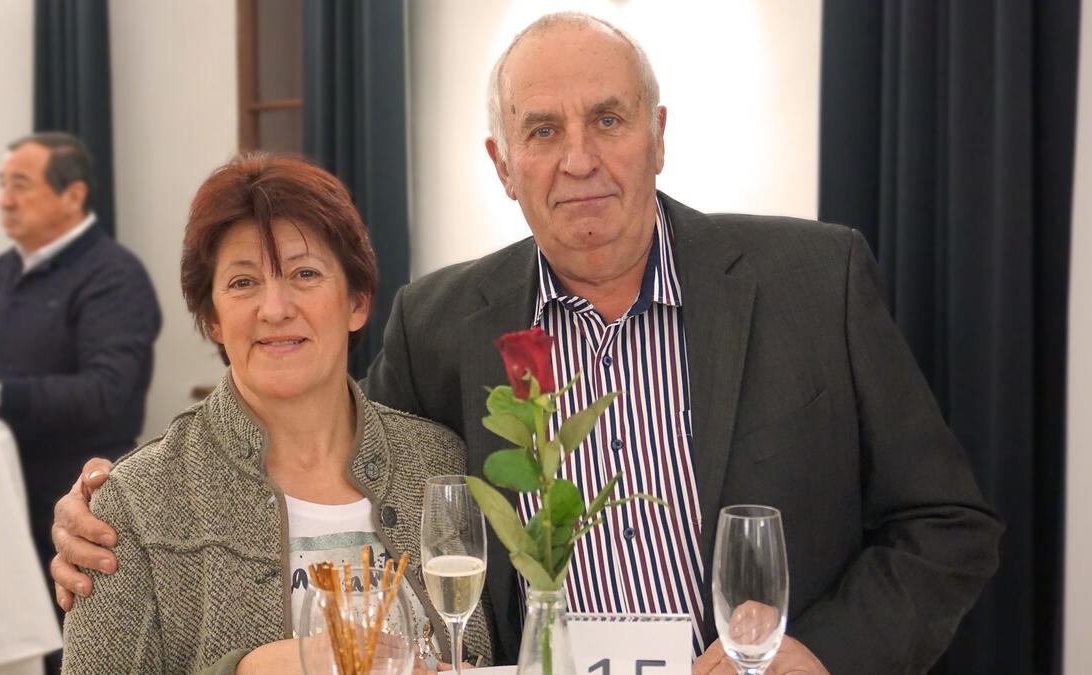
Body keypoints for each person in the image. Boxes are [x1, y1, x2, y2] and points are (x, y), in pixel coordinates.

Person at [49, 13, 1001, 675]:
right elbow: (336, 454)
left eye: (607, 120)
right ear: (503, 164)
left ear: (657, 134)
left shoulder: (815, 281)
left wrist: (823, 652)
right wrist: (108, 504)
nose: (578, 158)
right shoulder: (441, 323)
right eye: (542, 130)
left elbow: (948, 524)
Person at [58, 154, 493, 674]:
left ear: (357, 302)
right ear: (213, 319)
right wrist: (250, 670)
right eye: (243, 283)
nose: (275, 309)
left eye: (305, 274)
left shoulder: (441, 463)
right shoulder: (137, 503)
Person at [0, 131, 161, 568]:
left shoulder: (115, 276)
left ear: (72, 196)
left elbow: (107, 393)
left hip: (76, 504)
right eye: (2, 184)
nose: (4, 201)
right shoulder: (2, 271)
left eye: (20, 186)